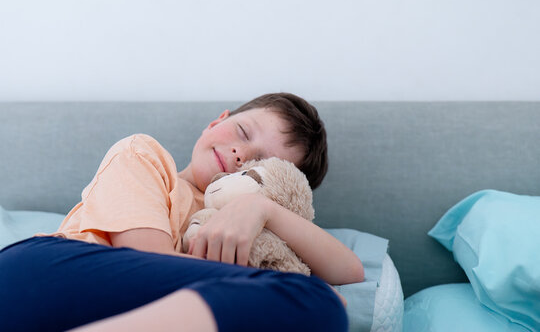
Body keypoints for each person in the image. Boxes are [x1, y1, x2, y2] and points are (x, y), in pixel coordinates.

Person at [0, 93, 364, 332]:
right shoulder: (144, 156)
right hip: (44, 273)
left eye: (261, 164)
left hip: (97, 316)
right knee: (313, 302)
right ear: (215, 121)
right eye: (241, 132)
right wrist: (289, 291)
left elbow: (349, 270)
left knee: (320, 311)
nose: (241, 154)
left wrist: (262, 208)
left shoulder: (250, 225)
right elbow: (145, 259)